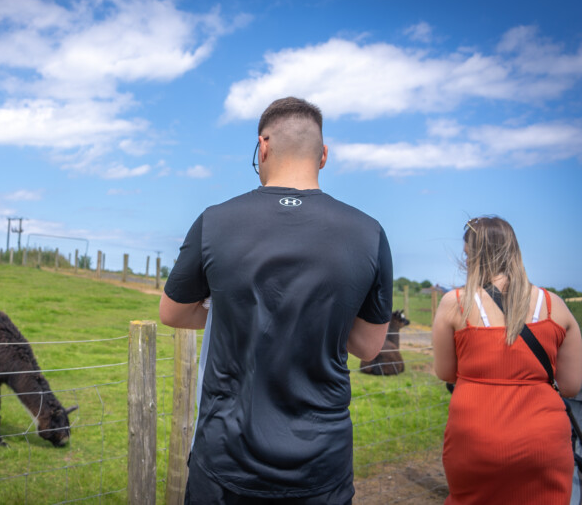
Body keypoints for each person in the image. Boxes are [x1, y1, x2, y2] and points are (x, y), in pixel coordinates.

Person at [159, 97, 393, 504]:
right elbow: (368, 346)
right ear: (323, 156)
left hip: (226, 465)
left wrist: (235, 309)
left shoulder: (215, 221)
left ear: (262, 147)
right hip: (321, 465)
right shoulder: (369, 233)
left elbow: (173, 312)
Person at [432, 216, 582, 504]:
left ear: (471, 255)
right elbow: (570, 386)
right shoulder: (555, 307)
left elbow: (446, 372)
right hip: (543, 441)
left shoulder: (455, 304)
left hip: (475, 438)